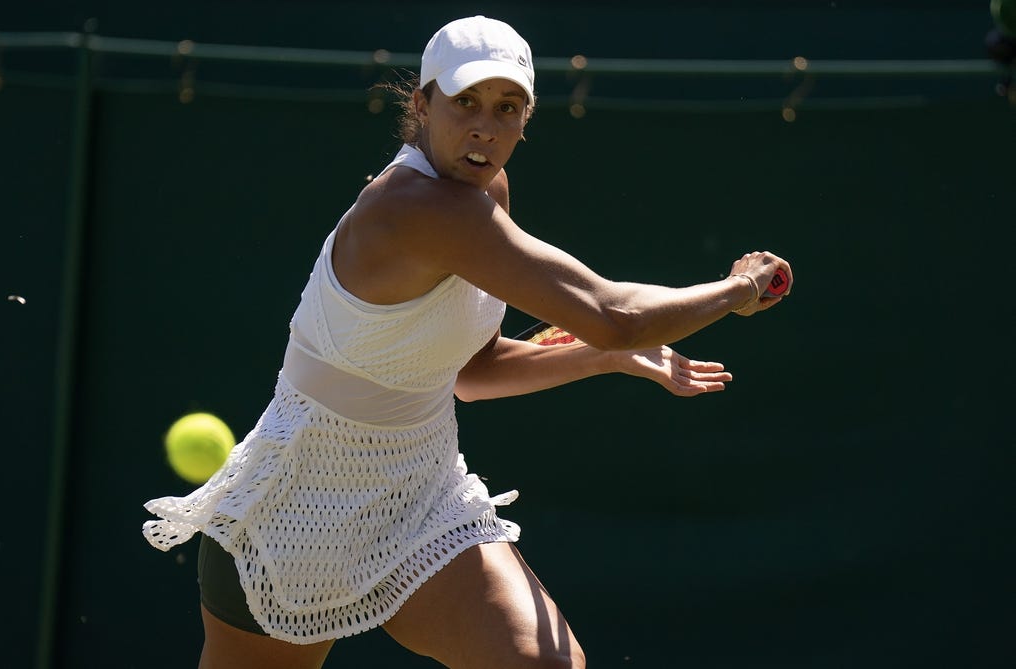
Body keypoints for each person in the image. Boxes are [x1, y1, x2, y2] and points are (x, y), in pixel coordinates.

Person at [143, 15, 792, 669]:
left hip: (420, 498)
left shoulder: (487, 190)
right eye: (466, 103)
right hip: (293, 517)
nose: (485, 126)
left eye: (507, 107)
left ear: (525, 121)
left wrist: (601, 355)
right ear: (422, 105)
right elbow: (614, 312)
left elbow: (474, 372)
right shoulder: (415, 208)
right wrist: (736, 289)